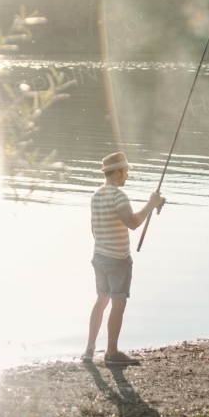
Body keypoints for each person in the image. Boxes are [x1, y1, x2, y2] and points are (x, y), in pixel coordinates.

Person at [83, 152, 163, 364]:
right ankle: (111, 353)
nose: (127, 177)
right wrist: (150, 203)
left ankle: (89, 350)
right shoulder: (118, 196)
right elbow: (133, 222)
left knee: (101, 300)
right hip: (117, 260)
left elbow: (94, 228)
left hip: (99, 257)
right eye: (126, 172)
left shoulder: (96, 195)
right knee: (118, 304)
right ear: (117, 172)